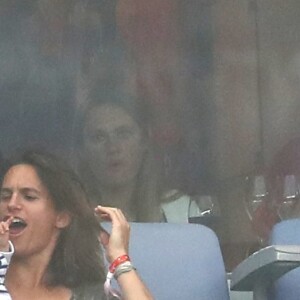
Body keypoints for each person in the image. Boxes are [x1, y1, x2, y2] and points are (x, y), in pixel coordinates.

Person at [0, 150, 153, 300]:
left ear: (62, 217)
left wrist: (120, 258)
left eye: (29, 197)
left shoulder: (89, 296)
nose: (12, 204)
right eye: (5, 196)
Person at [72, 87, 213, 223]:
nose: (112, 148)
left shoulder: (180, 212)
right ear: (82, 150)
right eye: (99, 137)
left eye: (123, 134)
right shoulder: (68, 215)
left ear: (144, 140)